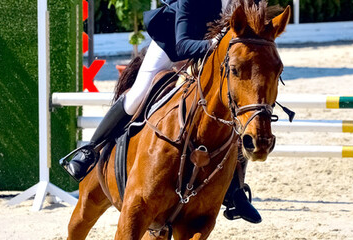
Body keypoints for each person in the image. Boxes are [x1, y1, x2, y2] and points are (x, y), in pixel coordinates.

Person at [60, 0, 262, 224]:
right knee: (137, 96)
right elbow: (183, 45)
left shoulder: (248, 3)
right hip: (171, 47)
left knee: (232, 111)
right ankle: (90, 150)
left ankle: (235, 191)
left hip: (210, 58)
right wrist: (216, 45)